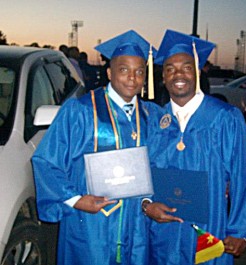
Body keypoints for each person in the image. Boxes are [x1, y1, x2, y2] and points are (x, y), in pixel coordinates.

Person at [32, 30, 160, 265]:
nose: (132, 78)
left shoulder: (152, 116)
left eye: (139, 71)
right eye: (124, 70)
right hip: (91, 224)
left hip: (137, 225)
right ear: (109, 73)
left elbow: (160, 166)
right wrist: (76, 200)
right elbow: (46, 161)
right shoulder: (80, 110)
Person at [145, 29, 246, 265]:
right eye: (170, 69)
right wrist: (147, 205)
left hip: (209, 228)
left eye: (186, 67)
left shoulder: (224, 117)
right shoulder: (155, 121)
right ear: (162, 77)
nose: (178, 74)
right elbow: (143, 172)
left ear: (198, 72)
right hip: (164, 231)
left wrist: (241, 231)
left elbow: (245, 174)